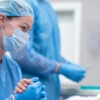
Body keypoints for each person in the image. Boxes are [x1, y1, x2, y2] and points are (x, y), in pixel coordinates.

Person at [4, 0, 86, 100]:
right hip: (31, 84)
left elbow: (49, 52)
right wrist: (59, 67)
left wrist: (66, 64)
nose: (25, 34)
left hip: (49, 88)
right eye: (24, 28)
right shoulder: (26, 5)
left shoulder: (47, 7)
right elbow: (22, 54)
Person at [0, 0, 47, 100]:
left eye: (28, 31)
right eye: (23, 28)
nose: (26, 36)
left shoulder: (13, 68)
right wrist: (16, 99)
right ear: (2, 20)